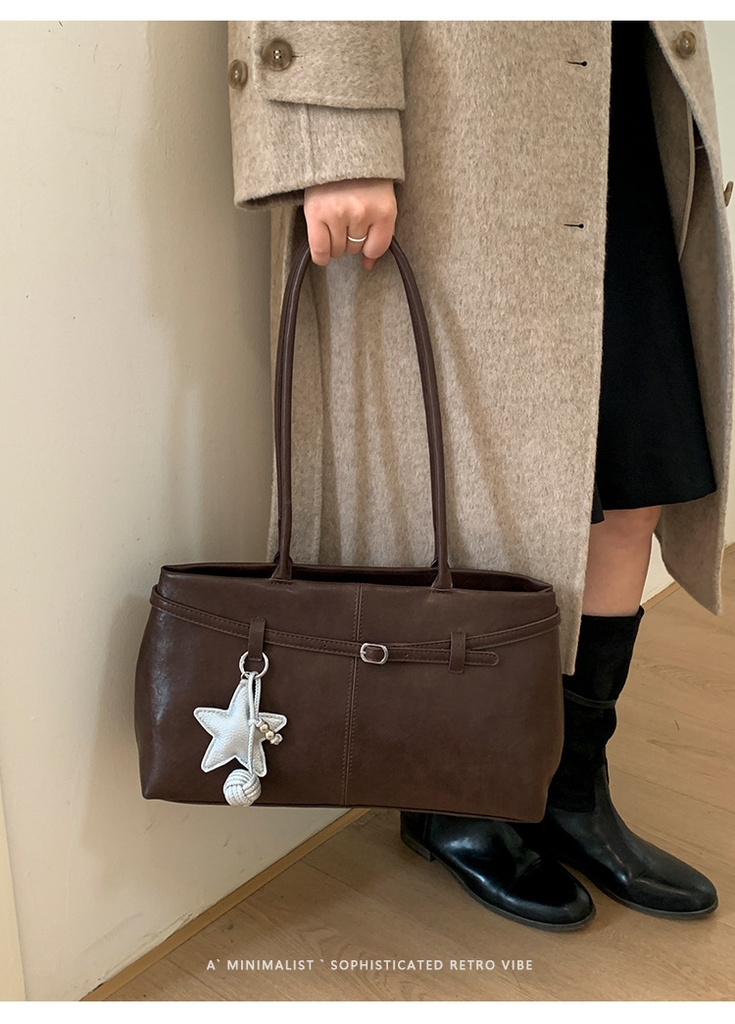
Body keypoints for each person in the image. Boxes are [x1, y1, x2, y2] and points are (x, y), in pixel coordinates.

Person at [227, 21, 734, 929]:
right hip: (466, 104)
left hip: (616, 94)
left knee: (636, 474)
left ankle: (568, 793)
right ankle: (458, 797)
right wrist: (333, 137)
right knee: (483, 486)